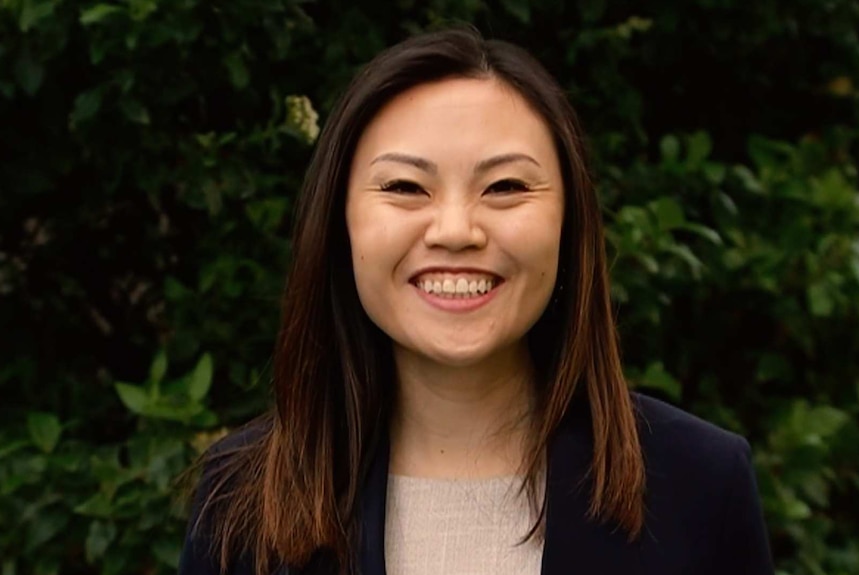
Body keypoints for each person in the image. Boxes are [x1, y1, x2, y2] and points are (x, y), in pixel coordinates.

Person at [179, 27, 774, 575]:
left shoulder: (699, 485)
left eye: (506, 187)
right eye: (406, 188)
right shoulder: (243, 501)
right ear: (340, 224)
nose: (457, 230)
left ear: (570, 224)